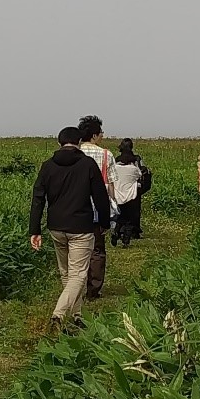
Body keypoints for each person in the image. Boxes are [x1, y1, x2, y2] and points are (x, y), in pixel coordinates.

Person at [30, 126, 110, 332]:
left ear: (59, 143)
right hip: (81, 227)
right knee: (78, 275)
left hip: (56, 227)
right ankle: (58, 315)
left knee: (67, 274)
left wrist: (34, 229)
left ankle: (76, 316)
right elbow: (100, 196)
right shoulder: (87, 164)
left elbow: (38, 198)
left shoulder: (47, 166)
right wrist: (104, 222)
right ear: (79, 142)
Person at [77, 115, 117, 298]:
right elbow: (111, 185)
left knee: (76, 249)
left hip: (76, 208)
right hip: (97, 208)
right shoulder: (106, 155)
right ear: (94, 135)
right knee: (97, 249)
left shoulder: (74, 153)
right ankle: (93, 288)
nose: (102, 136)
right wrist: (113, 207)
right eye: (101, 133)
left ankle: (76, 285)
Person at [111, 138, 146, 246]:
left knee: (121, 216)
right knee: (131, 217)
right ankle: (126, 239)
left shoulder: (116, 162)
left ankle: (116, 231)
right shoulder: (135, 163)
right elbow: (140, 175)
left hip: (118, 193)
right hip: (132, 194)